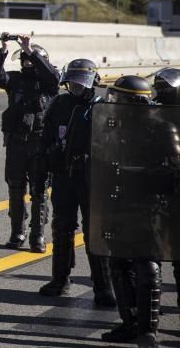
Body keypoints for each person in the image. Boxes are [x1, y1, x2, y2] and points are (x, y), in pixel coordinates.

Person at [38, 58, 115, 307]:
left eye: (81, 81)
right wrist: (42, 172)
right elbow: (45, 141)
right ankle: (60, 280)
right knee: (62, 228)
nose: (76, 86)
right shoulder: (59, 104)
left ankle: (103, 287)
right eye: (72, 81)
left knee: (94, 232)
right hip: (64, 176)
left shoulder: (102, 106)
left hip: (92, 179)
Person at [98, 76, 163, 346]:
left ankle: (147, 329)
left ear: (133, 101)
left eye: (119, 98)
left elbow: (170, 169)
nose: (113, 102)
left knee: (146, 264)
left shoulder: (160, 128)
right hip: (119, 201)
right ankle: (130, 322)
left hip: (148, 205)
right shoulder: (115, 127)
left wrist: (140, 174)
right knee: (118, 262)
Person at [0, 34, 59, 252]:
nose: (27, 62)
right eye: (25, 59)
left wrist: (29, 49)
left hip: (39, 144)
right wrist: (2, 51)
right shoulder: (15, 80)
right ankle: (17, 232)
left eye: (31, 59)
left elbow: (53, 76)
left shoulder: (49, 84)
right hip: (16, 144)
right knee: (15, 188)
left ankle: (37, 236)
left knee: (39, 191)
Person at [152, 67, 179, 316]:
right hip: (157, 195)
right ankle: (147, 313)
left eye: (165, 90)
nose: (159, 95)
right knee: (150, 253)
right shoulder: (152, 118)